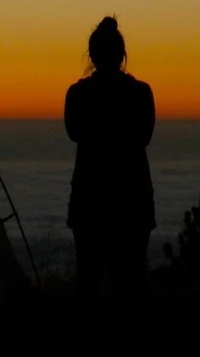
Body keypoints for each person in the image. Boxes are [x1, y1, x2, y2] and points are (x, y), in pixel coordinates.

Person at [64, 15, 155, 306]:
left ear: (92, 55)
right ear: (122, 54)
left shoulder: (78, 95)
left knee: (88, 287)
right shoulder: (141, 93)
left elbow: (74, 133)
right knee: (134, 287)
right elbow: (143, 136)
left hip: (90, 200)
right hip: (132, 200)